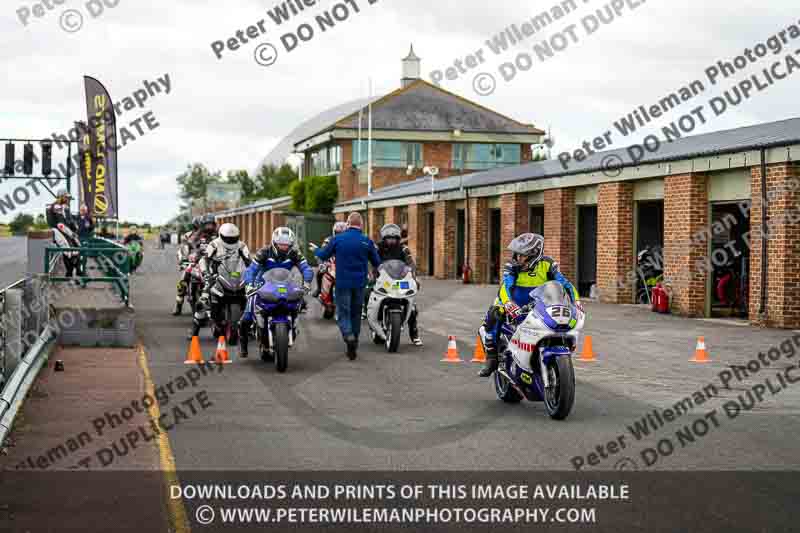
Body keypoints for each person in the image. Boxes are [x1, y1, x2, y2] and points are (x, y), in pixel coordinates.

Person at [479, 233, 581, 377]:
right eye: (517, 254)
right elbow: (505, 286)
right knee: (494, 314)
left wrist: (576, 301)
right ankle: (491, 359)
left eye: (522, 255)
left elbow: (566, 284)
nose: (517, 258)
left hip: (539, 303)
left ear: (534, 255)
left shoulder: (548, 264)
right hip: (514, 303)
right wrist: (508, 303)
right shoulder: (512, 267)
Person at [315, 212, 381, 360]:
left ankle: (349, 336)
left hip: (342, 283)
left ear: (348, 223)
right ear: (361, 225)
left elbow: (324, 255)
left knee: (344, 312)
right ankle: (355, 341)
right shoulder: (366, 241)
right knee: (356, 313)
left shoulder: (338, 239)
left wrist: (315, 251)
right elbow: (377, 262)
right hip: (360, 284)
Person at [238, 227, 313, 357]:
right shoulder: (264, 252)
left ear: (291, 244)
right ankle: (243, 344)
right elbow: (251, 270)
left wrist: (306, 283)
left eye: (286, 244)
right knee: (247, 316)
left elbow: (306, 268)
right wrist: (250, 285)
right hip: (262, 284)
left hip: (285, 284)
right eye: (281, 244)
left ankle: (293, 325)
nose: (284, 247)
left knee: (300, 302)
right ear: (274, 242)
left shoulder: (295, 253)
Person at [190, 223, 252, 337]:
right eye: (228, 238)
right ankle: (195, 329)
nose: (230, 240)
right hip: (215, 275)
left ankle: (249, 325)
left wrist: (253, 273)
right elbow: (204, 260)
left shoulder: (242, 246)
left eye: (233, 238)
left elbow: (249, 261)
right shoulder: (214, 244)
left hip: (235, 275)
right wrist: (206, 273)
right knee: (203, 300)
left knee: (252, 295)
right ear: (222, 236)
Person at [370, 223, 423, 346]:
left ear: (398, 238)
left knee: (412, 307)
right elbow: (371, 262)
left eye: (394, 238)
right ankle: (374, 323)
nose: (391, 240)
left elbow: (411, 264)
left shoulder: (404, 249)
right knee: (369, 295)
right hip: (383, 281)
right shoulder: (377, 248)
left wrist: (414, 278)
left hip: (400, 282)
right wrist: (371, 275)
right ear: (384, 238)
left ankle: (414, 333)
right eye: (389, 238)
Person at [174, 215, 218, 316]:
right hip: (196, 262)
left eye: (211, 225)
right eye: (206, 225)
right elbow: (185, 248)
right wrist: (184, 259)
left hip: (213, 261)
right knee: (184, 278)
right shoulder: (194, 236)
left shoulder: (218, 235)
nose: (209, 227)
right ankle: (178, 304)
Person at [45, 189, 80, 278]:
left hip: (64, 231)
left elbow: (67, 222)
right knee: (68, 252)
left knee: (75, 250)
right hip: (58, 231)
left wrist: (73, 227)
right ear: (61, 196)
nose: (68, 200)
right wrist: (72, 234)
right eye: (66, 197)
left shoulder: (63, 207)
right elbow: (60, 225)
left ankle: (73, 273)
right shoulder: (56, 206)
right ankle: (70, 274)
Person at [311, 221, 347, 298]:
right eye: (337, 233)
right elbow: (323, 252)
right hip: (330, 262)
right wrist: (321, 263)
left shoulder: (349, 242)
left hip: (343, 265)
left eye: (342, 233)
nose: (339, 235)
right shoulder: (328, 240)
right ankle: (319, 289)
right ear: (334, 232)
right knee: (319, 272)